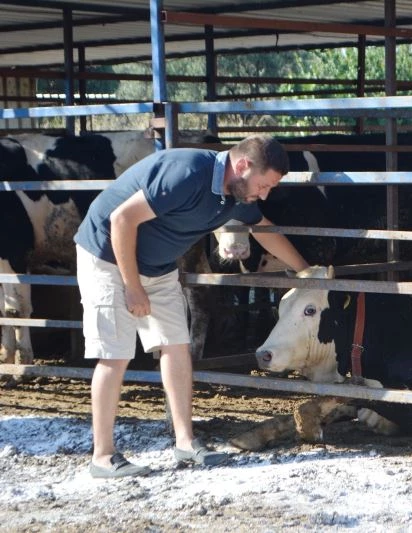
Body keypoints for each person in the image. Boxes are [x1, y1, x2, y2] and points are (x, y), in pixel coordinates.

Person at [73, 134, 308, 478]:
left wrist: (305, 273)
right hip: (108, 257)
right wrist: (132, 286)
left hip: (159, 265)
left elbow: (263, 229)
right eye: (263, 185)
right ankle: (103, 456)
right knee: (115, 353)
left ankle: (185, 442)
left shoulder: (236, 193)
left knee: (176, 346)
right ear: (242, 166)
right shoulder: (186, 173)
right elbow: (121, 220)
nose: (264, 194)